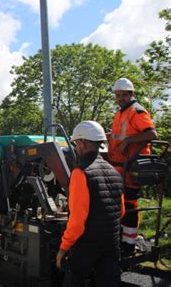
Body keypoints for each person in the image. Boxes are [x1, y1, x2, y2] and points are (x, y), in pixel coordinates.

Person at [56, 121, 125, 287]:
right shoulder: (114, 171)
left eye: (76, 143)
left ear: (82, 143)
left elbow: (77, 222)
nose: (76, 147)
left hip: (87, 246)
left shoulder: (81, 173)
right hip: (111, 243)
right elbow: (120, 211)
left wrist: (63, 249)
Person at [107, 78, 158, 254]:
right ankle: (120, 241)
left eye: (123, 95)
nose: (120, 98)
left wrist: (129, 140)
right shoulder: (121, 112)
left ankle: (128, 244)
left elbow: (152, 134)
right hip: (119, 167)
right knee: (119, 205)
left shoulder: (136, 112)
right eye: (117, 95)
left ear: (131, 94)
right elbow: (118, 135)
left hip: (131, 167)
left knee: (129, 205)